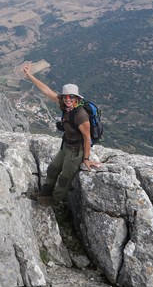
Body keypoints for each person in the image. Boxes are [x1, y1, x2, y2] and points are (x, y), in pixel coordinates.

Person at [22, 62, 101, 207]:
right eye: (65, 97)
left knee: (65, 177)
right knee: (52, 169)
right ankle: (45, 192)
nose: (68, 99)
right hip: (66, 147)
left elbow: (87, 137)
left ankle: (55, 200)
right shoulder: (65, 106)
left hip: (76, 151)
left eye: (71, 97)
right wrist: (29, 75)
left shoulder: (81, 115)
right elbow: (46, 90)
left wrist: (86, 159)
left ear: (77, 98)